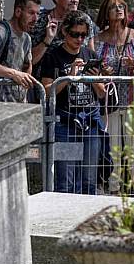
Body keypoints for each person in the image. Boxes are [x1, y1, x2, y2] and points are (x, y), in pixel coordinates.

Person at [39, 11, 106, 195]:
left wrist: (96, 80)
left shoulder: (89, 54)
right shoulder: (53, 56)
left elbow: (101, 94)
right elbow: (46, 91)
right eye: (75, 34)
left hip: (89, 123)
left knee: (89, 179)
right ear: (65, 33)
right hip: (65, 124)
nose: (79, 39)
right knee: (66, 180)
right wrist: (68, 78)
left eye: (83, 35)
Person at [93, 0, 134, 193]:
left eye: (122, 6)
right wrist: (102, 73)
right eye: (114, 7)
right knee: (113, 149)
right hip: (110, 100)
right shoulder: (96, 40)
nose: (119, 10)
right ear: (106, 12)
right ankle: (114, 189)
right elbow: (91, 68)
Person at [31, 0, 97, 66]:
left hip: (76, 76)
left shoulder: (85, 19)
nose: (75, 0)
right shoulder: (40, 20)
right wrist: (47, 40)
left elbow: (90, 53)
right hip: (46, 76)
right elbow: (30, 60)